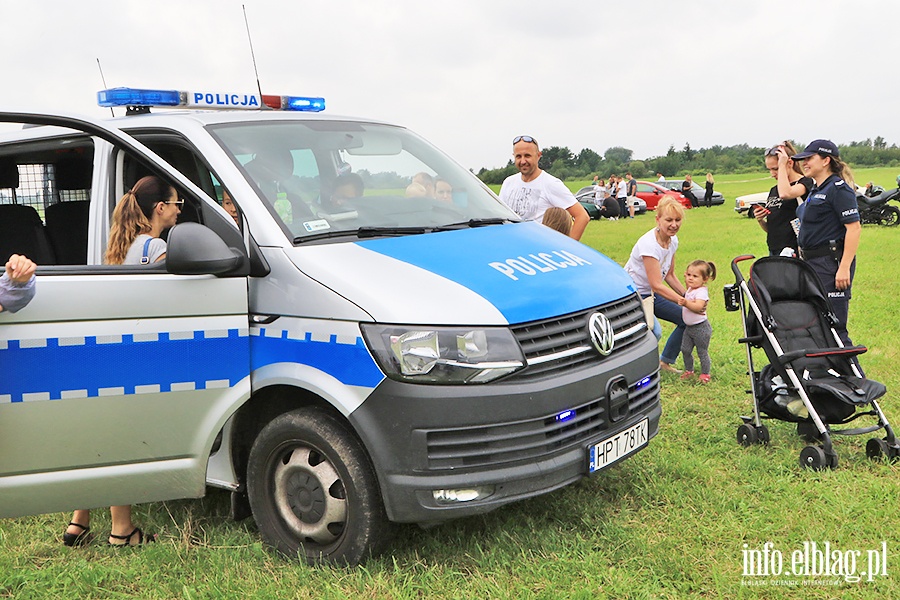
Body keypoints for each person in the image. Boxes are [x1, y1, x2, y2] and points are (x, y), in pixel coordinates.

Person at [66, 176, 176, 547]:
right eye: (176, 203)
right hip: (137, 353)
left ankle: (79, 521)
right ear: (159, 208)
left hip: (110, 349)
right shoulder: (156, 249)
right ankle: (122, 530)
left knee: (98, 440)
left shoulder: (120, 244)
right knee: (121, 444)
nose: (179, 209)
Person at [791, 139, 860, 346]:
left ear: (826, 160)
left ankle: (853, 377)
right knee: (816, 323)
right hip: (811, 262)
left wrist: (844, 268)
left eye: (809, 158)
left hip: (830, 263)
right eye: (803, 159)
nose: (804, 163)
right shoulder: (815, 189)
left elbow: (854, 228)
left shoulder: (838, 189)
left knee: (834, 327)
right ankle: (822, 374)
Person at [624, 197, 687, 373]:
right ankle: (635, 368)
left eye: (677, 220)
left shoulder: (673, 241)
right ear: (658, 219)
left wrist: (689, 295)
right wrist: (683, 301)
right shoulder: (649, 245)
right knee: (654, 332)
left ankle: (664, 362)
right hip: (633, 294)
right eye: (668, 220)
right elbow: (657, 284)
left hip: (652, 293)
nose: (674, 225)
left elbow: (670, 275)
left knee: (686, 319)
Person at [498, 135, 589, 240]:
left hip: (537, 249)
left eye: (527, 156)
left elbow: (582, 216)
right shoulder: (508, 183)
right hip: (513, 246)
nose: (523, 161)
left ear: (538, 155)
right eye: (518, 156)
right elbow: (501, 217)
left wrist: (569, 248)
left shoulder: (550, 184)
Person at [105, 175, 181, 265]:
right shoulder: (156, 247)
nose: (178, 211)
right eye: (176, 204)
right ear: (161, 208)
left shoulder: (125, 245)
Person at [754, 142, 813, 256]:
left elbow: (786, 194)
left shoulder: (805, 183)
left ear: (789, 163)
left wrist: (782, 165)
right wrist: (760, 220)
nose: (772, 174)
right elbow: (773, 229)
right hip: (774, 249)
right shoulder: (774, 190)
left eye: (775, 168)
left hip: (795, 250)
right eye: (769, 169)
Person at [679, 259, 716, 383]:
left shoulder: (701, 292)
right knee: (685, 349)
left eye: (695, 276)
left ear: (704, 279)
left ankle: (705, 373)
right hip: (689, 328)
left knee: (702, 352)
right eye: (688, 275)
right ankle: (689, 370)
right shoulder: (690, 289)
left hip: (701, 328)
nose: (690, 278)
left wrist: (686, 303)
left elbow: (699, 307)